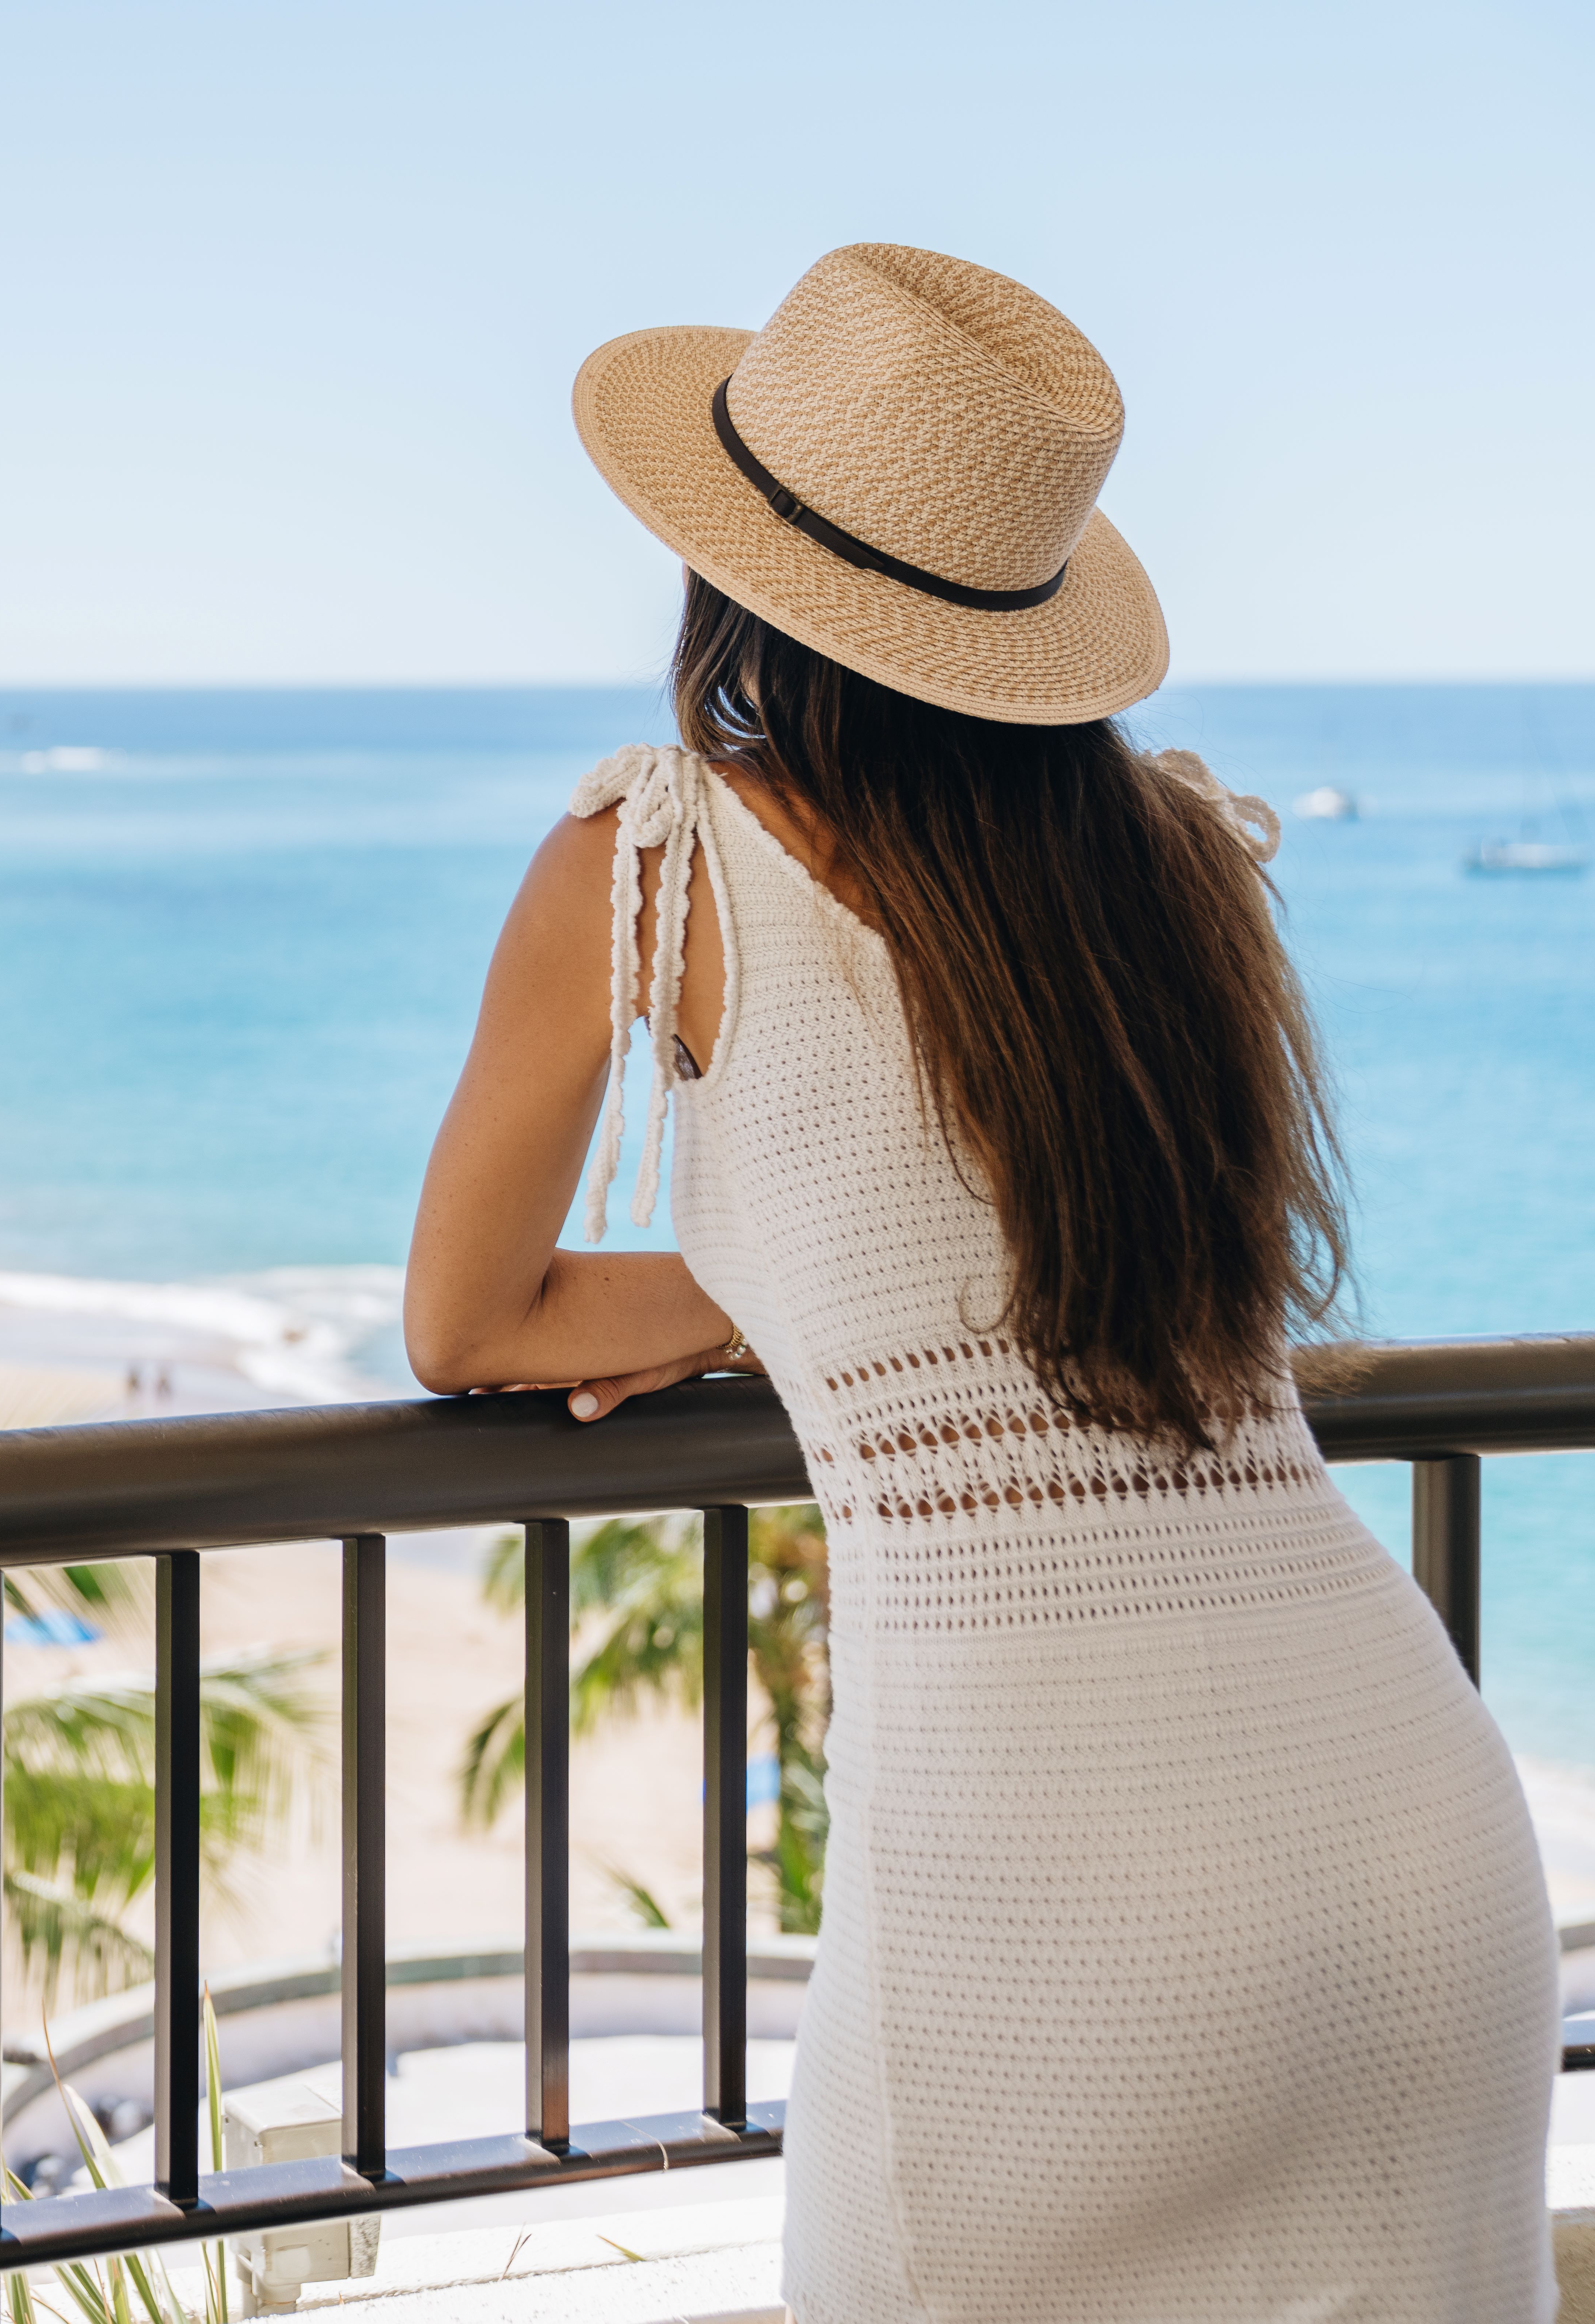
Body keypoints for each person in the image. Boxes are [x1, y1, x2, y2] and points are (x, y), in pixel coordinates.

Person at [399, 245, 1554, 2322]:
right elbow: (1058, 1239)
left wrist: (756, 1290)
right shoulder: (1184, 861)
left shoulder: (654, 857)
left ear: (725, 573)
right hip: (1418, 1852)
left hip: (1058, 1910)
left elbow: (472, 1324)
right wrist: (787, 1284)